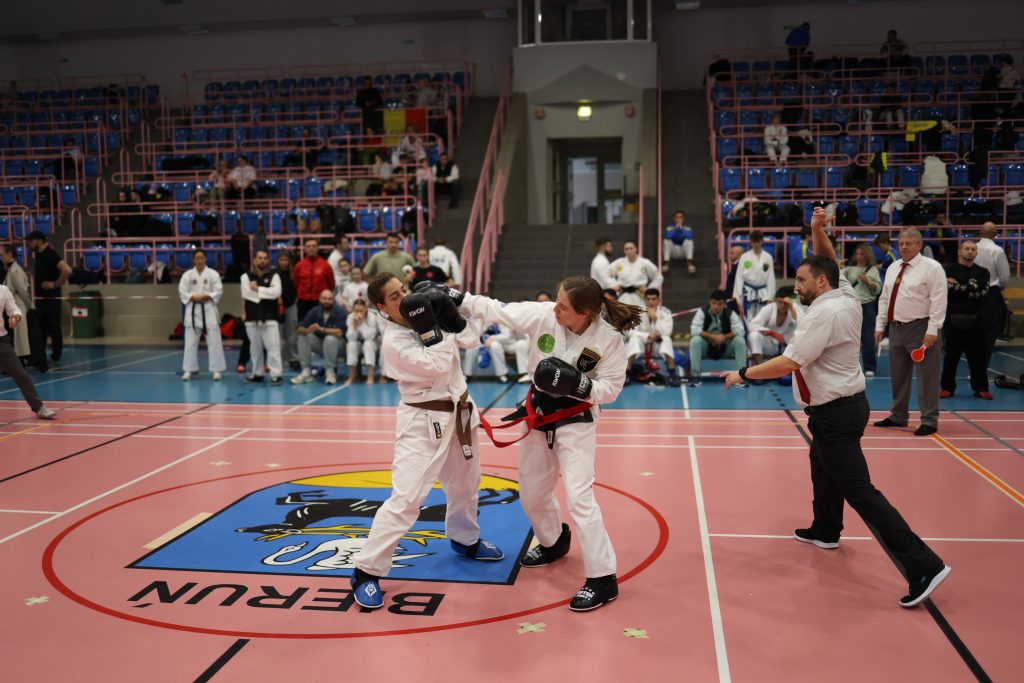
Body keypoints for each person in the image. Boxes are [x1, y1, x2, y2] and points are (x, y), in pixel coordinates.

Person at [724, 207, 951, 609]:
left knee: (861, 492)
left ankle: (924, 565)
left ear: (820, 282)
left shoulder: (821, 315)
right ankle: (826, 529)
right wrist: (817, 230)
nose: (796, 285)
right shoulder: (843, 293)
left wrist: (743, 372)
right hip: (847, 406)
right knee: (821, 463)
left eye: (801, 280)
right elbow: (827, 258)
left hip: (836, 412)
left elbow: (789, 362)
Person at [453, 276, 640, 611]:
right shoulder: (543, 315)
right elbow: (498, 310)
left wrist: (579, 385)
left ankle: (603, 578)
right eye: (557, 300)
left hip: (576, 422)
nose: (555, 308)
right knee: (532, 494)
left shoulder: (608, 340)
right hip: (539, 416)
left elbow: (611, 388)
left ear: (584, 313)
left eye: (563, 307)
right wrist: (458, 298)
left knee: (580, 498)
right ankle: (554, 542)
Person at [349, 274, 504, 609]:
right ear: (382, 307)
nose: (404, 297)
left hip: (459, 411)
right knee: (407, 498)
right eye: (394, 296)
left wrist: (450, 312)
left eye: (403, 289)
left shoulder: (426, 311)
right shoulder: (394, 342)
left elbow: (471, 339)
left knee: (466, 485)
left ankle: (465, 539)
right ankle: (366, 570)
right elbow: (438, 364)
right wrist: (432, 326)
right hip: (422, 421)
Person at [873, 229, 947, 436]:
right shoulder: (893, 267)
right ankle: (898, 415)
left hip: (921, 327)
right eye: (901, 243)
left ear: (919, 245)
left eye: (909, 243)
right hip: (896, 327)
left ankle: (929, 419)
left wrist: (933, 329)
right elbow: (885, 298)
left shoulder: (932, 267)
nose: (904, 247)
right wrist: (880, 325)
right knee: (898, 375)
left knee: (927, 376)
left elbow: (939, 300)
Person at [941, 241, 991, 400]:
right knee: (951, 356)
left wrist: (960, 287)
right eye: (966, 249)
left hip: (976, 320)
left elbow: (982, 293)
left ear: (976, 253)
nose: (970, 251)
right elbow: (949, 289)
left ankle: (981, 388)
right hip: (953, 318)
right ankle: (947, 387)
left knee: (978, 356)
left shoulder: (983, 272)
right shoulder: (948, 270)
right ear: (959, 252)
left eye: (973, 249)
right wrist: (970, 287)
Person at [0, 284, 57, 420]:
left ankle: (39, 408)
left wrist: (15, 317)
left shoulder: (3, 290)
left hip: (2, 341)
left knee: (20, 374)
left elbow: (15, 310)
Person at [178, 250, 225, 382]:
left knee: (214, 342)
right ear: (193, 260)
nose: (200, 261)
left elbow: (218, 290)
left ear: (205, 259)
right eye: (197, 258)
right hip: (192, 311)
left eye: (202, 258)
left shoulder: (213, 274)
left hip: (209, 309)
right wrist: (192, 296)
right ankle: (189, 370)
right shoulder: (187, 275)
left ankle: (216, 370)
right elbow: (182, 291)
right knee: (190, 343)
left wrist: (207, 296)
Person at [27, 230, 70, 369]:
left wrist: (55, 284)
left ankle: (55, 359)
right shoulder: (39, 255)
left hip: (51, 299)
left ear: (39, 241)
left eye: (31, 240)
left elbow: (66, 270)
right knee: (41, 329)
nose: (29, 243)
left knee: (54, 329)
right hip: (42, 300)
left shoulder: (50, 254)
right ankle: (39, 358)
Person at [241, 250, 284, 386]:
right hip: (252, 317)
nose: (262, 260)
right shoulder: (246, 276)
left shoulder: (274, 275)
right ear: (254, 260)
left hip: (269, 317)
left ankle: (276, 374)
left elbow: (276, 293)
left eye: (265, 258)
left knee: (273, 347)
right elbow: (246, 294)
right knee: (255, 348)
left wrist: (257, 289)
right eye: (260, 258)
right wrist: (266, 292)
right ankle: (257, 373)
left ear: (268, 260)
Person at [689, 290, 746, 388]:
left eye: (719, 304)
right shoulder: (702, 312)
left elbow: (740, 330)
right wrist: (712, 337)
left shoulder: (730, 313)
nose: (716, 306)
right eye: (714, 303)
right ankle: (695, 376)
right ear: (710, 302)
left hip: (725, 346)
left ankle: (741, 376)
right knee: (695, 341)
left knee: (740, 341)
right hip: (707, 346)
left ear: (724, 304)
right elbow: (694, 329)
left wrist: (724, 337)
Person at [626, 288, 680, 386]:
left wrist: (655, 319)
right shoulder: (637, 312)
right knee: (633, 340)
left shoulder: (665, 312)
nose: (651, 302)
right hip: (642, 345)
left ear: (659, 300)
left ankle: (672, 373)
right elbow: (631, 332)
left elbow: (667, 332)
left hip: (657, 346)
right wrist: (648, 336)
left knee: (667, 339)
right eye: (648, 299)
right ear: (644, 300)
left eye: (654, 299)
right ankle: (627, 373)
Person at [974, 222, 1010, 365]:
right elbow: (1004, 278)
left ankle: (975, 367)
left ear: (980, 232)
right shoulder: (997, 250)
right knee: (989, 333)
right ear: (996, 234)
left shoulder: (971, 248)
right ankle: (981, 368)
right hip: (991, 294)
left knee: (974, 331)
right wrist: (996, 289)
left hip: (972, 293)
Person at [843, 243, 882, 376]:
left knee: (868, 337)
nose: (859, 256)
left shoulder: (873, 270)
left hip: (866, 305)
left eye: (862, 254)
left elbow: (878, 289)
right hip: (850, 305)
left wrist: (868, 282)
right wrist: (838, 268)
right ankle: (848, 367)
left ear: (867, 255)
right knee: (848, 337)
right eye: (857, 254)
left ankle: (869, 366)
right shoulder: (848, 269)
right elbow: (837, 282)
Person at [292, 289, 347, 386]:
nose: (327, 301)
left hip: (339, 347)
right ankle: (306, 371)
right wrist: (308, 330)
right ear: (319, 299)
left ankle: (330, 372)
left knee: (330, 338)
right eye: (324, 298)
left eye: (329, 299)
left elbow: (339, 332)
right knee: (303, 337)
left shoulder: (340, 311)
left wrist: (321, 329)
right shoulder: (315, 311)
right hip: (321, 345)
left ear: (333, 300)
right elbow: (299, 328)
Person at [746, 288, 799, 366]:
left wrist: (791, 308)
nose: (782, 305)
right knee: (753, 335)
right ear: (775, 300)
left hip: (785, 345)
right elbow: (752, 325)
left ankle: (791, 370)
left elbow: (800, 326)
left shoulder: (794, 308)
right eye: (780, 302)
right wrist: (768, 332)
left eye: (785, 303)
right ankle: (760, 367)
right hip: (767, 343)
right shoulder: (768, 308)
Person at [733, 230, 776, 320]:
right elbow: (739, 278)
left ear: (762, 241)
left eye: (758, 242)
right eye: (754, 242)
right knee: (748, 318)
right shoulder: (744, 257)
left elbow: (770, 278)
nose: (756, 244)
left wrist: (769, 297)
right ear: (750, 242)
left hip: (762, 293)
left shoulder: (768, 257)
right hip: (748, 292)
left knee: (762, 319)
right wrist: (738, 296)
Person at [609, 240, 662, 307]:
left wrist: (649, 290)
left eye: (631, 248)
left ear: (636, 249)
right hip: (623, 295)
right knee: (623, 312)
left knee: (640, 312)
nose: (628, 251)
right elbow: (606, 275)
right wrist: (613, 284)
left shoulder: (644, 263)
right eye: (626, 249)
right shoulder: (619, 262)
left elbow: (658, 277)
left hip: (639, 295)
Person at [292, 238, 335, 321]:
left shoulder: (325, 265)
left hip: (320, 302)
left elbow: (331, 284)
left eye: (314, 246)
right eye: (308, 246)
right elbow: (296, 283)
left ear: (317, 248)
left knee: (321, 326)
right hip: (303, 302)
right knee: (303, 326)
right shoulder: (299, 266)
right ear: (305, 249)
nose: (311, 248)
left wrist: (324, 296)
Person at [1, 245, 31, 361]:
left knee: (20, 338)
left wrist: (30, 306)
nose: (1, 257)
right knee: (17, 338)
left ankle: (20, 361)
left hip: (18, 306)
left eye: (2, 255)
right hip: (13, 307)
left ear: (9, 254)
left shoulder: (15, 270)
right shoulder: (11, 270)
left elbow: (22, 291)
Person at [276, 251, 300, 371]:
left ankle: (294, 358)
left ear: (289, 261)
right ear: (278, 261)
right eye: (281, 260)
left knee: (292, 335)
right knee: (279, 335)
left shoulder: (294, 274)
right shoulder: (274, 274)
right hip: (278, 307)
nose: (284, 262)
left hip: (292, 305)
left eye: (286, 260)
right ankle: (278, 360)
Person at [663, 210, 695, 274]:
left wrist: (682, 228)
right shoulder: (670, 226)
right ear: (674, 219)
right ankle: (666, 265)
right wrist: (675, 228)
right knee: (666, 241)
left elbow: (689, 236)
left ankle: (690, 265)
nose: (679, 219)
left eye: (681, 217)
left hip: (683, 252)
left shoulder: (687, 227)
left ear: (683, 219)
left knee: (689, 241)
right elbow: (668, 236)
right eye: (677, 217)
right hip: (673, 252)